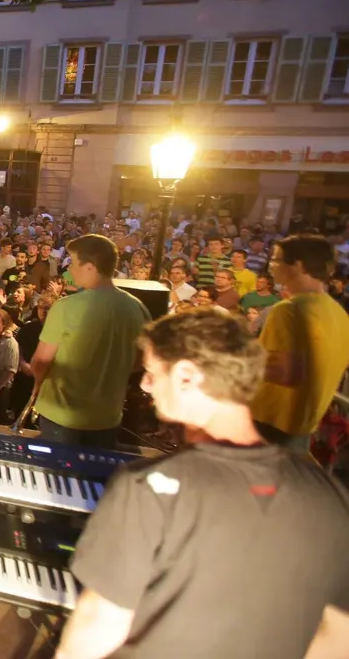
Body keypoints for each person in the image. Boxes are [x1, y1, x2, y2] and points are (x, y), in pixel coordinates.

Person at [57, 309, 349, 659]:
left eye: (151, 373)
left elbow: (98, 625)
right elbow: (336, 637)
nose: (144, 385)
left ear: (185, 376)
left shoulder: (148, 489)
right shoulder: (331, 496)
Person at [30, 234, 151, 448]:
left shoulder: (65, 307)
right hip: (107, 419)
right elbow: (143, 361)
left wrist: (38, 384)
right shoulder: (137, 308)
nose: (70, 270)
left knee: (57, 478)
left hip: (61, 416)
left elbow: (41, 362)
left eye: (74, 263)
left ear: (90, 267)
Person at [249, 235, 349, 452]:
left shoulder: (289, 309)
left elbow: (282, 372)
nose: (271, 265)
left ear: (298, 265)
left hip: (270, 424)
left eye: (276, 260)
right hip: (305, 425)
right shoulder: (338, 313)